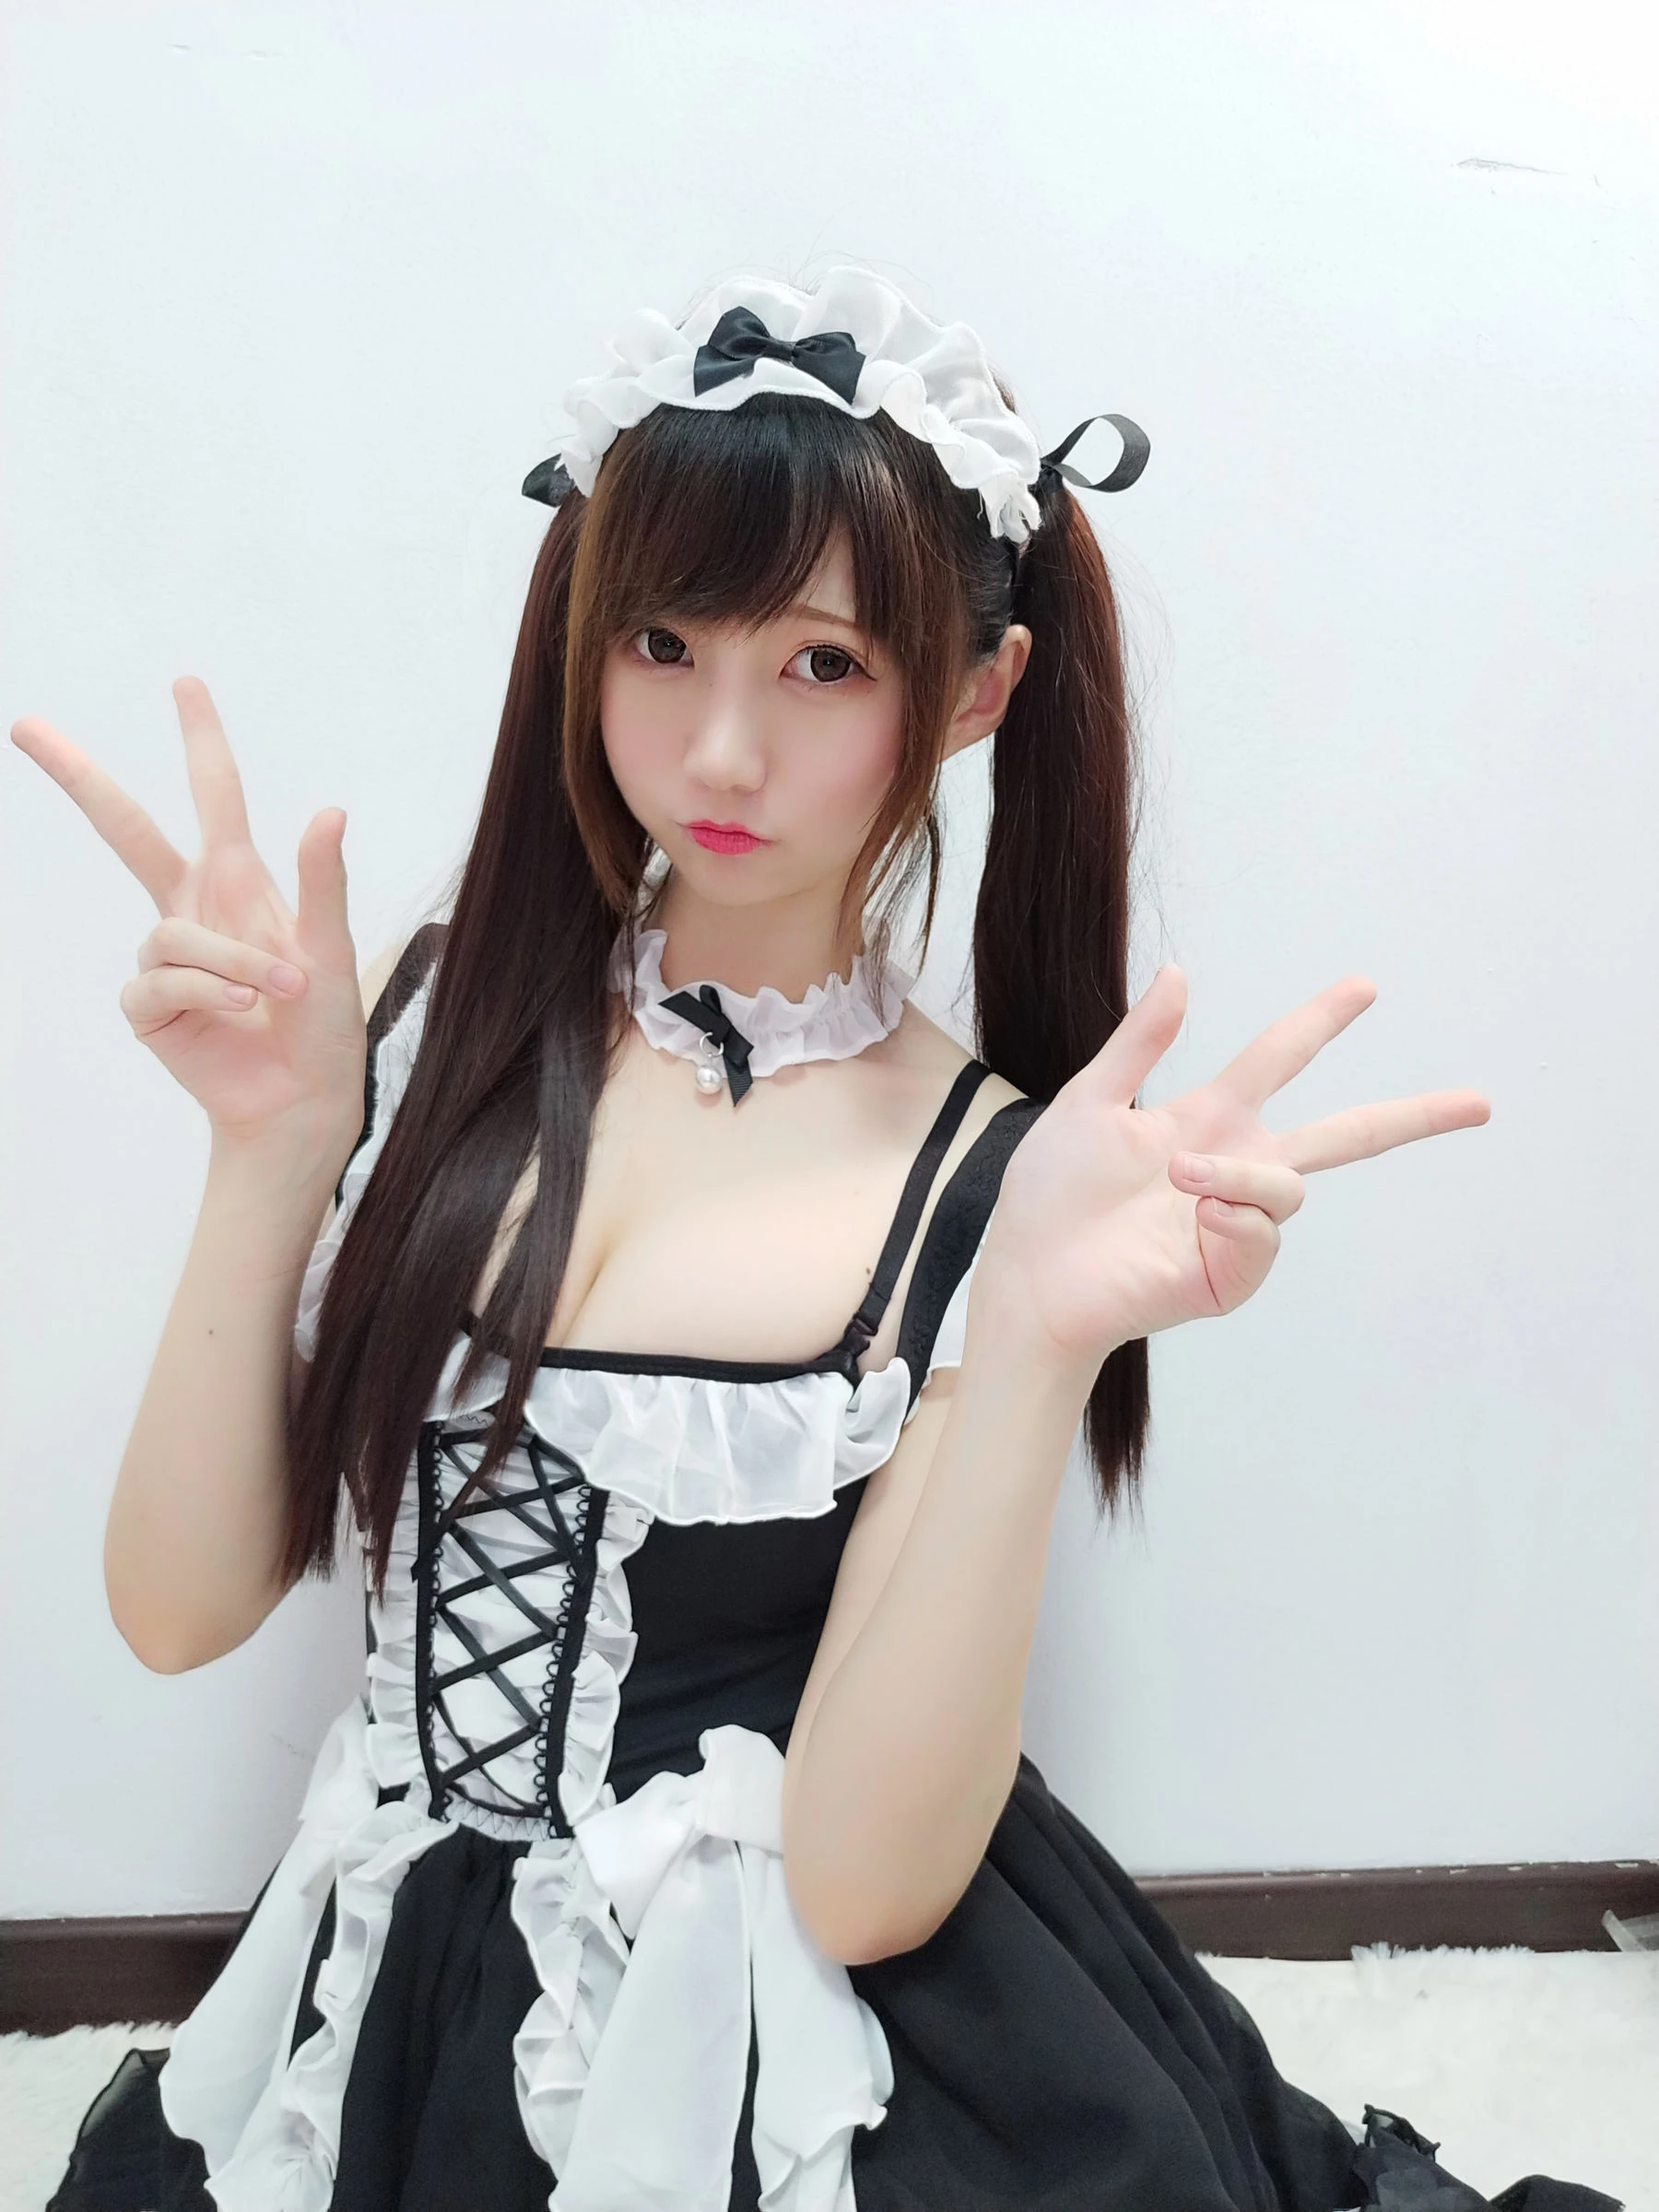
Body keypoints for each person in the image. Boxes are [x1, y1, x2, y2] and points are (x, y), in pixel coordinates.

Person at [17, 267, 1622, 2211]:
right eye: (664, 642)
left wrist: (1036, 1339)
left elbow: (859, 1890)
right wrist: (268, 1153)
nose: (718, 752)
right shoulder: (419, 1030)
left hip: (805, 2046)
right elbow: (177, 1613)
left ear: (976, 692)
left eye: (824, 666)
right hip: (391, 1990)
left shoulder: (992, 1177)